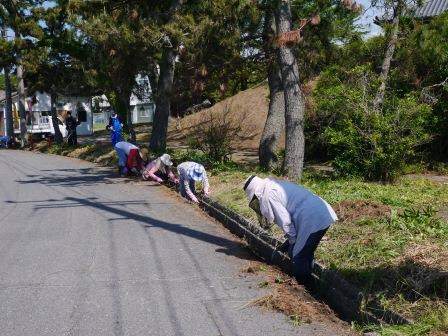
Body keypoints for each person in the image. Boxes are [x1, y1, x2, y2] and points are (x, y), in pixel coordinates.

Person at [243, 175, 338, 288]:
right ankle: (310, 279)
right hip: (320, 212)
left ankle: (304, 288)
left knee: (298, 255)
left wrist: (292, 242)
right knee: (304, 250)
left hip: (312, 218)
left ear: (256, 193)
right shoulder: (273, 186)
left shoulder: (268, 195)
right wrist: (290, 242)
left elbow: (286, 221)